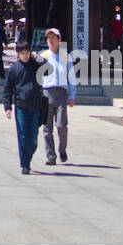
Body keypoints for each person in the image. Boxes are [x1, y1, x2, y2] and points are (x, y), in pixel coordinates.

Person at [3, 41, 45, 174]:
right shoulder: (14, 70)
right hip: (21, 106)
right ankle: (25, 164)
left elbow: (49, 69)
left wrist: (38, 57)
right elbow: (8, 89)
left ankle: (28, 156)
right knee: (22, 135)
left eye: (27, 52)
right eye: (22, 53)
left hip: (36, 105)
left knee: (33, 138)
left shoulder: (36, 66)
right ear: (17, 54)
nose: (25, 55)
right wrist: (8, 107)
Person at [39, 27, 76, 166]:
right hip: (47, 93)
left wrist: (72, 95)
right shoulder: (43, 55)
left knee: (61, 125)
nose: (51, 40)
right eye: (49, 38)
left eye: (54, 38)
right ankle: (50, 156)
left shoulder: (66, 55)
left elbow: (71, 77)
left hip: (61, 94)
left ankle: (62, 149)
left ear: (59, 40)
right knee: (47, 128)